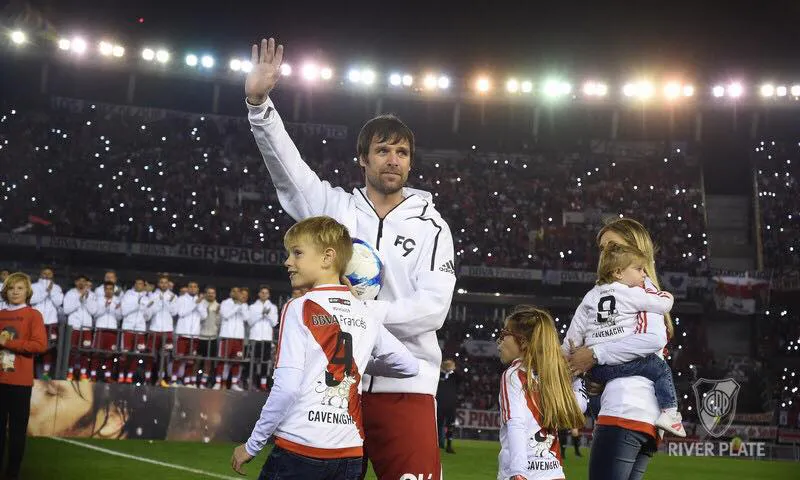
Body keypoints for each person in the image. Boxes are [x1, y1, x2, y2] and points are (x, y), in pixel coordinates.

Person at [246, 38, 456, 480]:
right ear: (362, 158)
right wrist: (260, 105)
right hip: (339, 392)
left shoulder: (432, 227)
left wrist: (364, 313)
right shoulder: (335, 209)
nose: (393, 160)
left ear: (411, 163)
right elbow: (290, 172)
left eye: (401, 152)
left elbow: (433, 309)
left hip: (408, 389)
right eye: (383, 150)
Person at [230, 216, 419, 479]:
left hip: (300, 449)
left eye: (297, 253)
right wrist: (358, 362)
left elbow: (286, 389)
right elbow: (409, 366)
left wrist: (253, 445)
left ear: (327, 257)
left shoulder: (299, 307)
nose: (288, 261)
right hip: (350, 453)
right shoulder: (365, 313)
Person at [565, 218, 673, 480]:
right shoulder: (622, 293)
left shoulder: (640, 291)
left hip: (626, 411)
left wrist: (594, 355)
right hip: (636, 415)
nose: (606, 253)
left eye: (613, 245)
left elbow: (653, 338)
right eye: (602, 248)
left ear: (637, 249)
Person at [566, 242, 684, 437]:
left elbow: (575, 332)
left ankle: (589, 413)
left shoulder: (591, 295)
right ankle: (670, 414)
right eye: (638, 269)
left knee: (598, 403)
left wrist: (567, 355)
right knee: (659, 367)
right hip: (617, 363)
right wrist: (666, 295)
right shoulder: (631, 292)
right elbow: (662, 305)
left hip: (594, 370)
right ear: (619, 273)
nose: (644, 274)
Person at [496, 306, 586, 480]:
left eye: (504, 334)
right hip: (554, 472)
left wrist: (518, 472)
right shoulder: (553, 375)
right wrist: (578, 377)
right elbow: (579, 406)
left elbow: (516, 424)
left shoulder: (514, 374)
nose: (500, 342)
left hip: (524, 474)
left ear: (522, 342)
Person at [0, 272, 47, 479]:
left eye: (20, 288)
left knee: (17, 432)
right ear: (5, 291)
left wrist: (8, 343)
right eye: (11, 288)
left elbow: (39, 345)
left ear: (27, 291)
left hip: (19, 382)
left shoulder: (33, 315)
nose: (15, 292)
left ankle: (13, 474)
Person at [30, 267, 64, 379]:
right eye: (44, 273)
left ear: (53, 275)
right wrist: (46, 292)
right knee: (34, 347)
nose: (47, 275)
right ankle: (31, 373)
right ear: (40, 274)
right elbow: (31, 300)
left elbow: (59, 303)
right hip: (37, 321)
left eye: (49, 273)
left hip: (51, 322)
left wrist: (51, 292)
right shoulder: (34, 286)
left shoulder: (57, 287)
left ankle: (45, 374)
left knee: (49, 348)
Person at [63, 275, 97, 381]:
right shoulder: (70, 293)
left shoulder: (92, 295)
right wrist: (79, 300)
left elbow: (93, 311)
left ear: (87, 283)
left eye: (84, 281)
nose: (82, 283)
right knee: (72, 351)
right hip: (74, 327)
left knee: (85, 352)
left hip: (86, 328)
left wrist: (86, 300)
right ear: (76, 282)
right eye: (79, 281)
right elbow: (66, 310)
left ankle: (83, 374)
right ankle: (70, 373)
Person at [173, 281, 207, 387]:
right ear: (187, 288)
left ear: (197, 289)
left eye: (195, 287)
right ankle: (173, 380)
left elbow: (204, 316)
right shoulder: (181, 299)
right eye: (191, 287)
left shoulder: (201, 301)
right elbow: (181, 313)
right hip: (183, 333)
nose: (193, 288)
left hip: (195, 335)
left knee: (190, 360)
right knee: (178, 358)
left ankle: (187, 381)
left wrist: (199, 304)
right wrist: (195, 303)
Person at [247, 285, 279, 390]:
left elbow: (274, 323)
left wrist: (268, 315)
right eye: (262, 292)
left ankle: (263, 384)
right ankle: (252, 382)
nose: (264, 294)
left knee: (265, 361)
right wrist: (261, 314)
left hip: (266, 339)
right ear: (259, 294)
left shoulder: (273, 307)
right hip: (255, 338)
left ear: (269, 295)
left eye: (266, 293)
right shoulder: (252, 307)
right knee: (254, 361)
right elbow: (250, 322)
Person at [90, 281, 122, 382]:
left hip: (112, 330)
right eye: (107, 289)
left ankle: (108, 376)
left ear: (113, 290)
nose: (109, 291)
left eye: (111, 289)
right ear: (104, 290)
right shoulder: (98, 300)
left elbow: (119, 317)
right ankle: (93, 375)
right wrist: (105, 306)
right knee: (96, 353)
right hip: (100, 329)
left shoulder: (117, 301)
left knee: (110, 354)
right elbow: (94, 314)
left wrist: (116, 310)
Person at [197, 286, 220, 389]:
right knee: (196, 360)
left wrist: (218, 314)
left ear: (215, 294)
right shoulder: (201, 304)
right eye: (209, 293)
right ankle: (192, 380)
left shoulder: (218, 306)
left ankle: (203, 382)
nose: (211, 294)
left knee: (208, 361)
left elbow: (219, 323)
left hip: (212, 337)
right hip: (200, 336)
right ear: (206, 294)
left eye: (213, 293)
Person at [436, 358, 459, 454]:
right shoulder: (438, 375)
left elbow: (460, 378)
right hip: (439, 405)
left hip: (450, 406)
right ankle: (437, 444)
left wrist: (450, 371)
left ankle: (449, 446)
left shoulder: (454, 376)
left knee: (450, 426)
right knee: (438, 425)